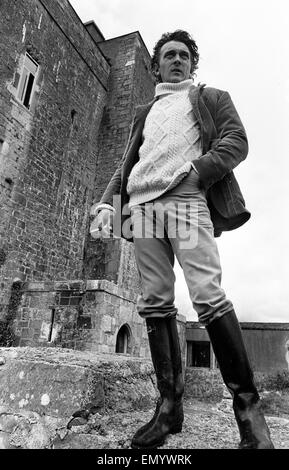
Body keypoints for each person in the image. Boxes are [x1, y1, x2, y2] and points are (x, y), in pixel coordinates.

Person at [90, 30, 274, 449]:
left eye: (184, 55)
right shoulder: (144, 112)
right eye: (169, 55)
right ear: (156, 66)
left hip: (186, 198)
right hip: (140, 207)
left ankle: (249, 414)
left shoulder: (210, 98)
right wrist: (106, 204)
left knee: (208, 294)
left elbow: (236, 142)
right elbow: (126, 165)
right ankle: (169, 409)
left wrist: (197, 171)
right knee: (154, 302)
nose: (177, 60)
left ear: (193, 64)